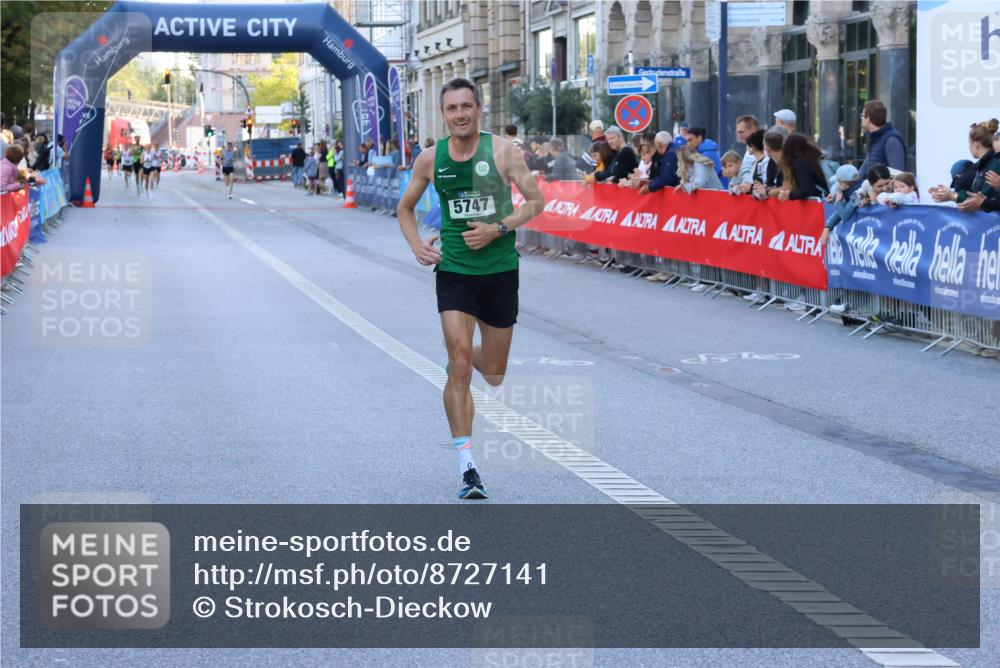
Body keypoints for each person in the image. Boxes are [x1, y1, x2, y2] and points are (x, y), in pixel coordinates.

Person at [395, 77, 545, 500]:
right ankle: (468, 468)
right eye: (452, 108)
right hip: (455, 270)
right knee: (459, 365)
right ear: (443, 115)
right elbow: (405, 208)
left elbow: (536, 202)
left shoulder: (503, 152)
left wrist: (499, 228)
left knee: (493, 373)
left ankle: (467, 360)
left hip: (499, 270)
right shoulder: (431, 158)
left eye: (466, 106)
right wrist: (416, 245)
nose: (460, 114)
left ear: (479, 109)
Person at [932, 119, 1000, 212]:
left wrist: (953, 196)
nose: (969, 147)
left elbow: (980, 202)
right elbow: (978, 199)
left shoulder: (993, 164)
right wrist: (950, 194)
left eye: (969, 143)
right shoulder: (983, 164)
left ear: (976, 144)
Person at [857, 100, 906, 181]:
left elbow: (897, 174)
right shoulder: (876, 138)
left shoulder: (892, 140)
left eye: (862, 116)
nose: (861, 119)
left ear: (868, 118)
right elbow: (863, 170)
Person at [774, 133, 827, 201]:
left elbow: (806, 190)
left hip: (820, 202)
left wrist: (790, 194)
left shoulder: (800, 163)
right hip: (827, 199)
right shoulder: (813, 158)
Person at [820, 164, 862, 245]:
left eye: (838, 182)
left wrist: (838, 202)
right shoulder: (851, 191)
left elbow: (845, 215)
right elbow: (840, 211)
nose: (837, 185)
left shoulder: (857, 193)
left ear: (843, 184)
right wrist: (827, 227)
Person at [735, 114, 761, 184]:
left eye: (741, 132)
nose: (739, 135)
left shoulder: (764, 150)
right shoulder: (748, 149)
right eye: (737, 132)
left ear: (753, 130)